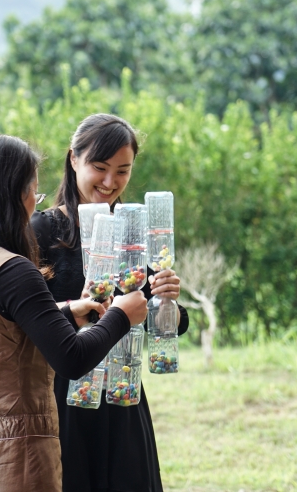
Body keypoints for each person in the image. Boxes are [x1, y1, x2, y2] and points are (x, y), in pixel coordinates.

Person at [0, 132, 148, 492]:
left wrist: (66, 312)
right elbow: (72, 358)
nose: (37, 200)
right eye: (34, 190)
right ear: (15, 194)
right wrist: (122, 315)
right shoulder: (14, 270)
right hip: (13, 460)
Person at [31, 113, 189, 492]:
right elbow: (29, 319)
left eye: (123, 171)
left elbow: (166, 323)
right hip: (64, 398)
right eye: (99, 168)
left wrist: (167, 301)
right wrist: (83, 310)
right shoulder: (43, 230)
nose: (110, 182)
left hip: (123, 395)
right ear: (73, 159)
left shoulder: (134, 232)